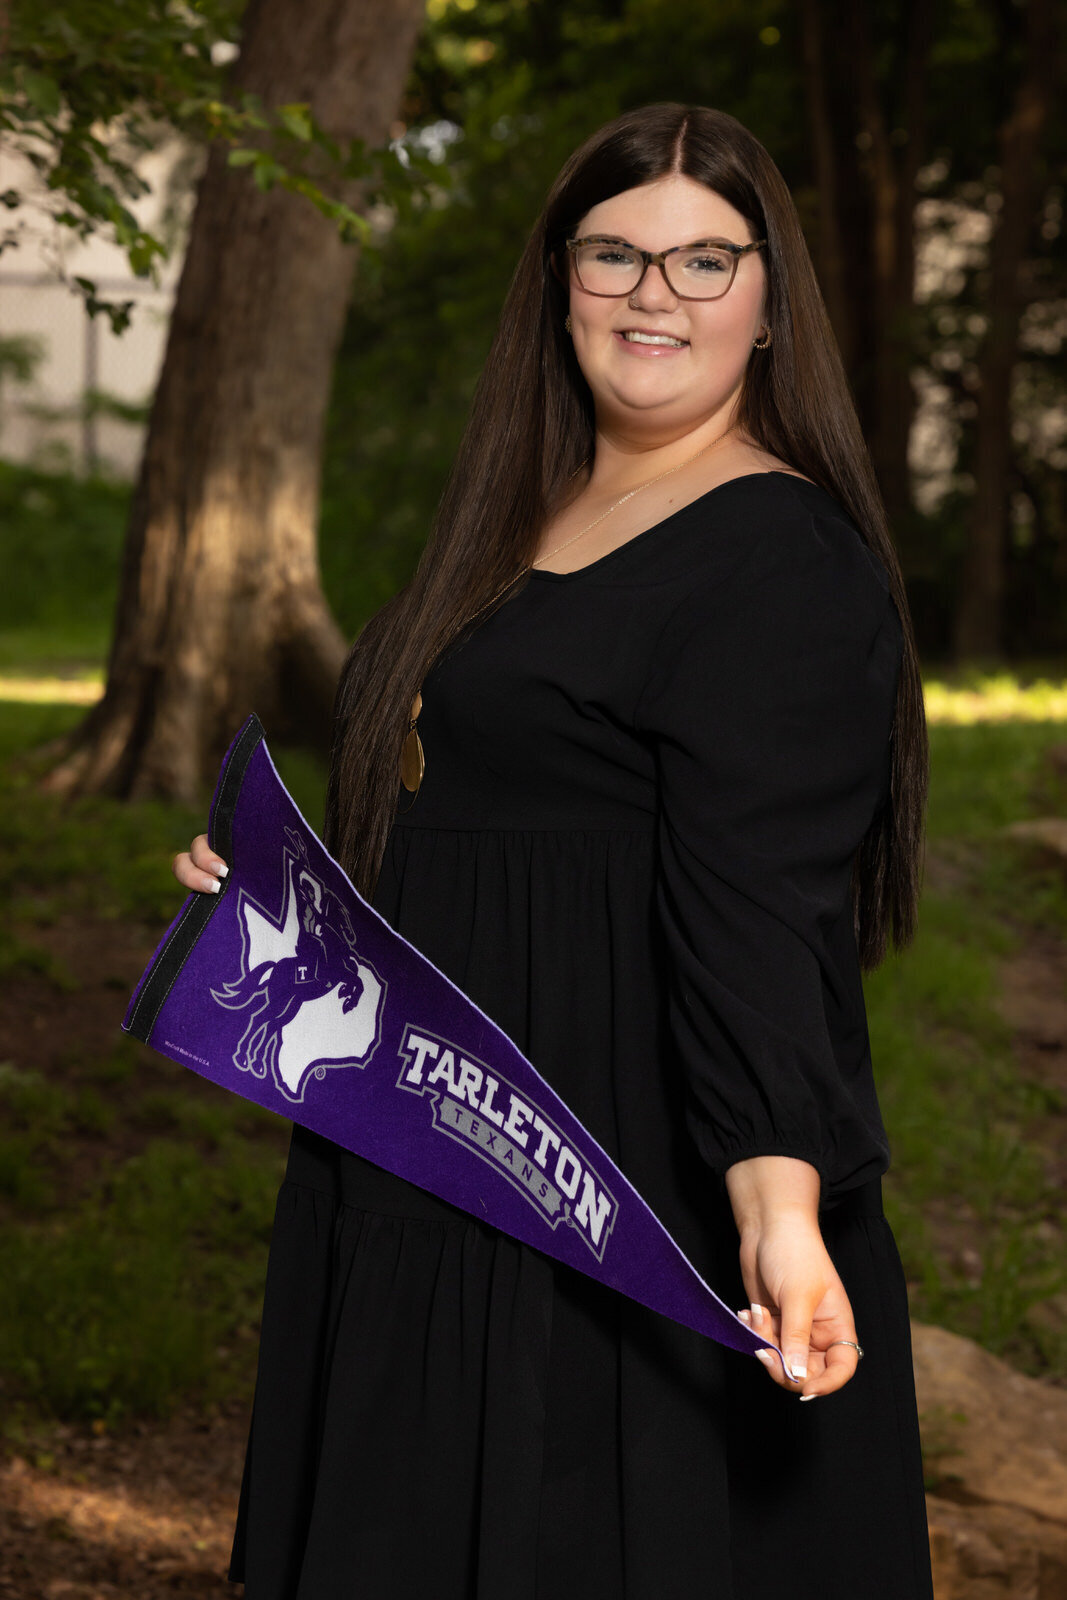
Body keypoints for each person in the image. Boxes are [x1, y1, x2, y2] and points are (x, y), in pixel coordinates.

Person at [173, 102, 934, 1600]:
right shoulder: (514, 510)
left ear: (772, 303)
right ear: (561, 280)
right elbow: (478, 792)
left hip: (611, 1191)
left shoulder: (780, 556)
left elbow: (760, 919)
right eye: (616, 254)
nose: (657, 293)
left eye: (707, 259)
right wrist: (287, 890)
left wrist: (778, 1220)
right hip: (424, 1153)